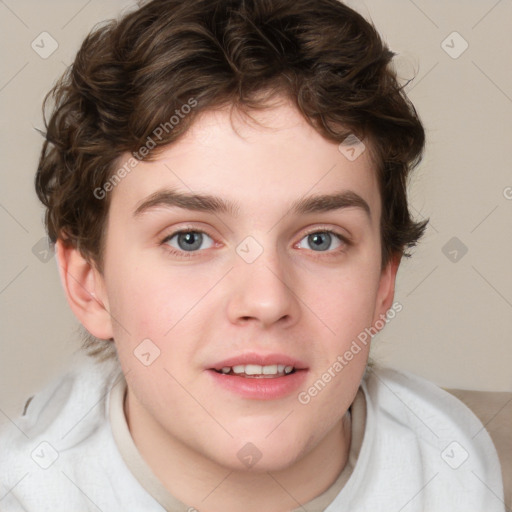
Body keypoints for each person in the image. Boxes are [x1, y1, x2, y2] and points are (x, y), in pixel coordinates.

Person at [0, 0, 505, 510]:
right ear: (90, 284)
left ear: (383, 284)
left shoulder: (458, 470)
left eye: (320, 239)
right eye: (189, 238)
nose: (266, 301)